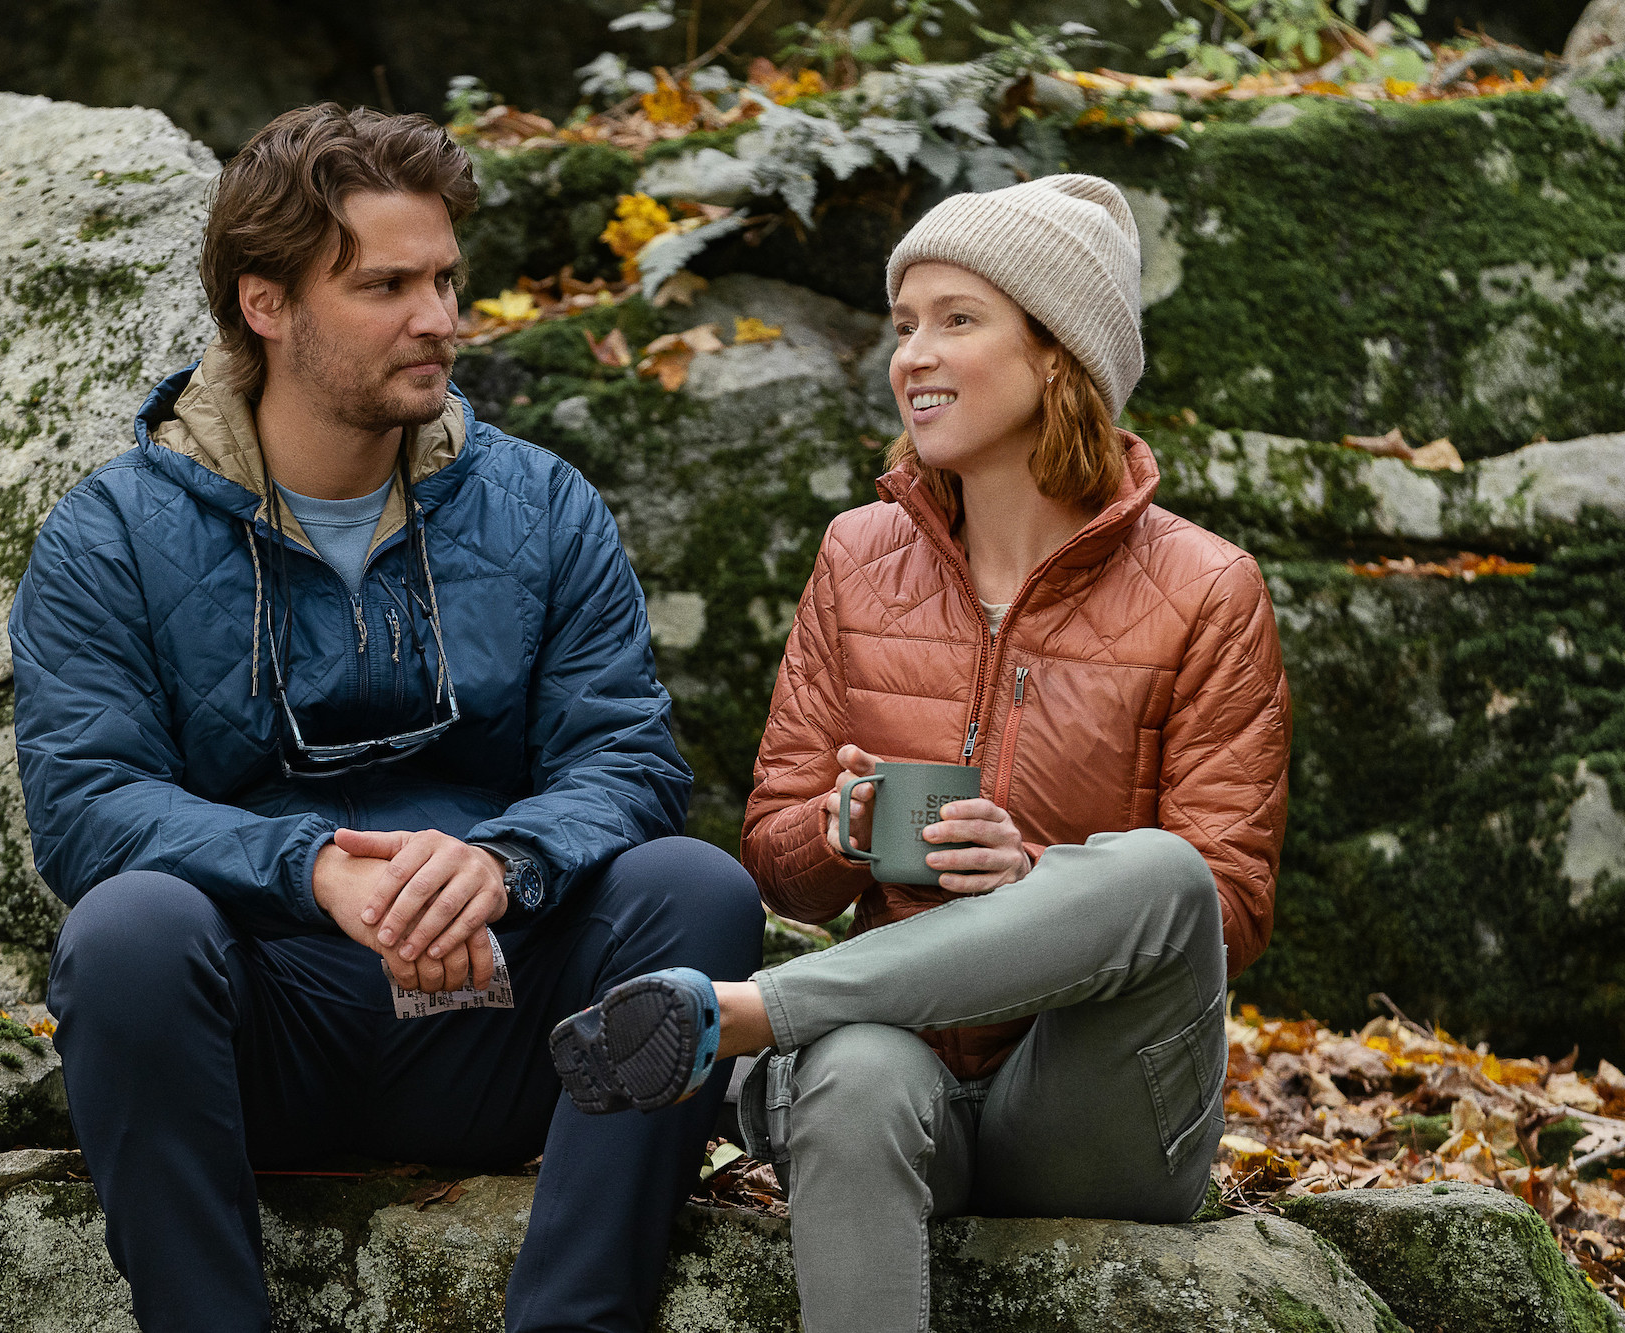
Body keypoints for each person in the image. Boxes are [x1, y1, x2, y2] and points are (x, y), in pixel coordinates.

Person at [7, 104, 762, 1333]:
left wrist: (501, 863)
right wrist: (311, 872)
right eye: (387, 286)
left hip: (508, 1016)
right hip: (265, 1031)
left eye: (446, 280)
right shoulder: (111, 537)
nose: (439, 320)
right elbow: (89, 807)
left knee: (695, 890)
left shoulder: (539, 505)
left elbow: (624, 757)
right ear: (267, 304)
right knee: (126, 928)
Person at [547, 174, 1292, 1333]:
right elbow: (777, 861)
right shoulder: (857, 556)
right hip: (900, 1087)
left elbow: (1223, 907)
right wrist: (838, 832)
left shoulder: (1205, 589)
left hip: (1096, 1112)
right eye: (903, 326)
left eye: (956, 318)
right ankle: (769, 1024)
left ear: (1057, 356)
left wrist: (1036, 877)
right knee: (849, 1078)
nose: (912, 355)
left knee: (1159, 872)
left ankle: (750, 1014)